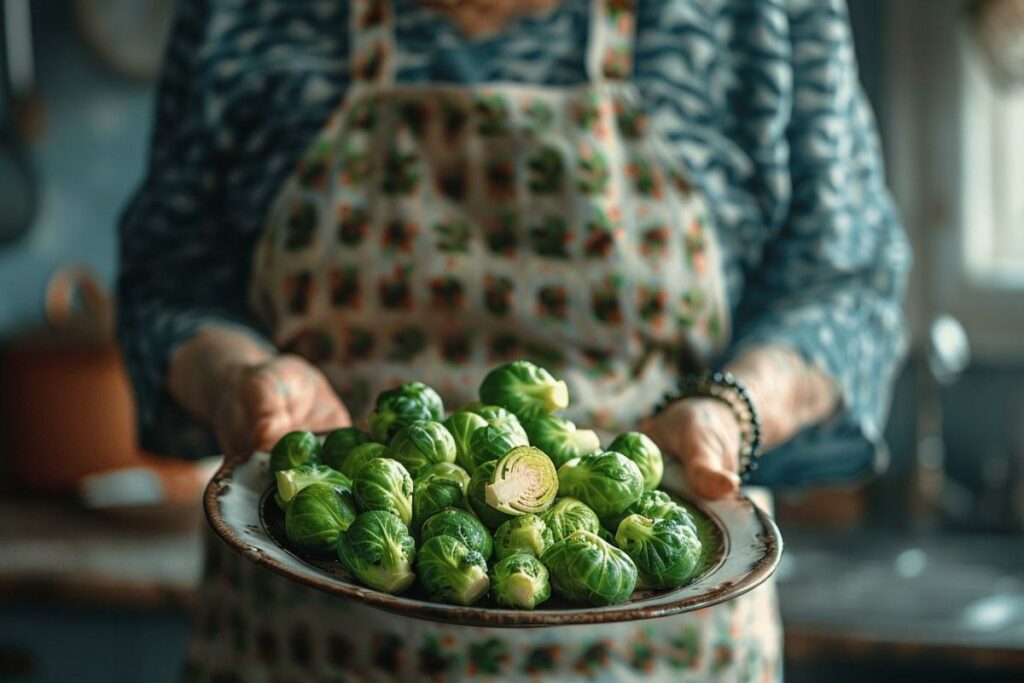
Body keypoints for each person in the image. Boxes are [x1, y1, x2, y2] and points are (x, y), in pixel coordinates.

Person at [118, 0, 909, 679]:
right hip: (301, 643)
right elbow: (169, 278)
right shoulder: (243, 12)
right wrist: (237, 374)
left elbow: (845, 291)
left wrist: (731, 411)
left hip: (655, 654)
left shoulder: (758, 15)